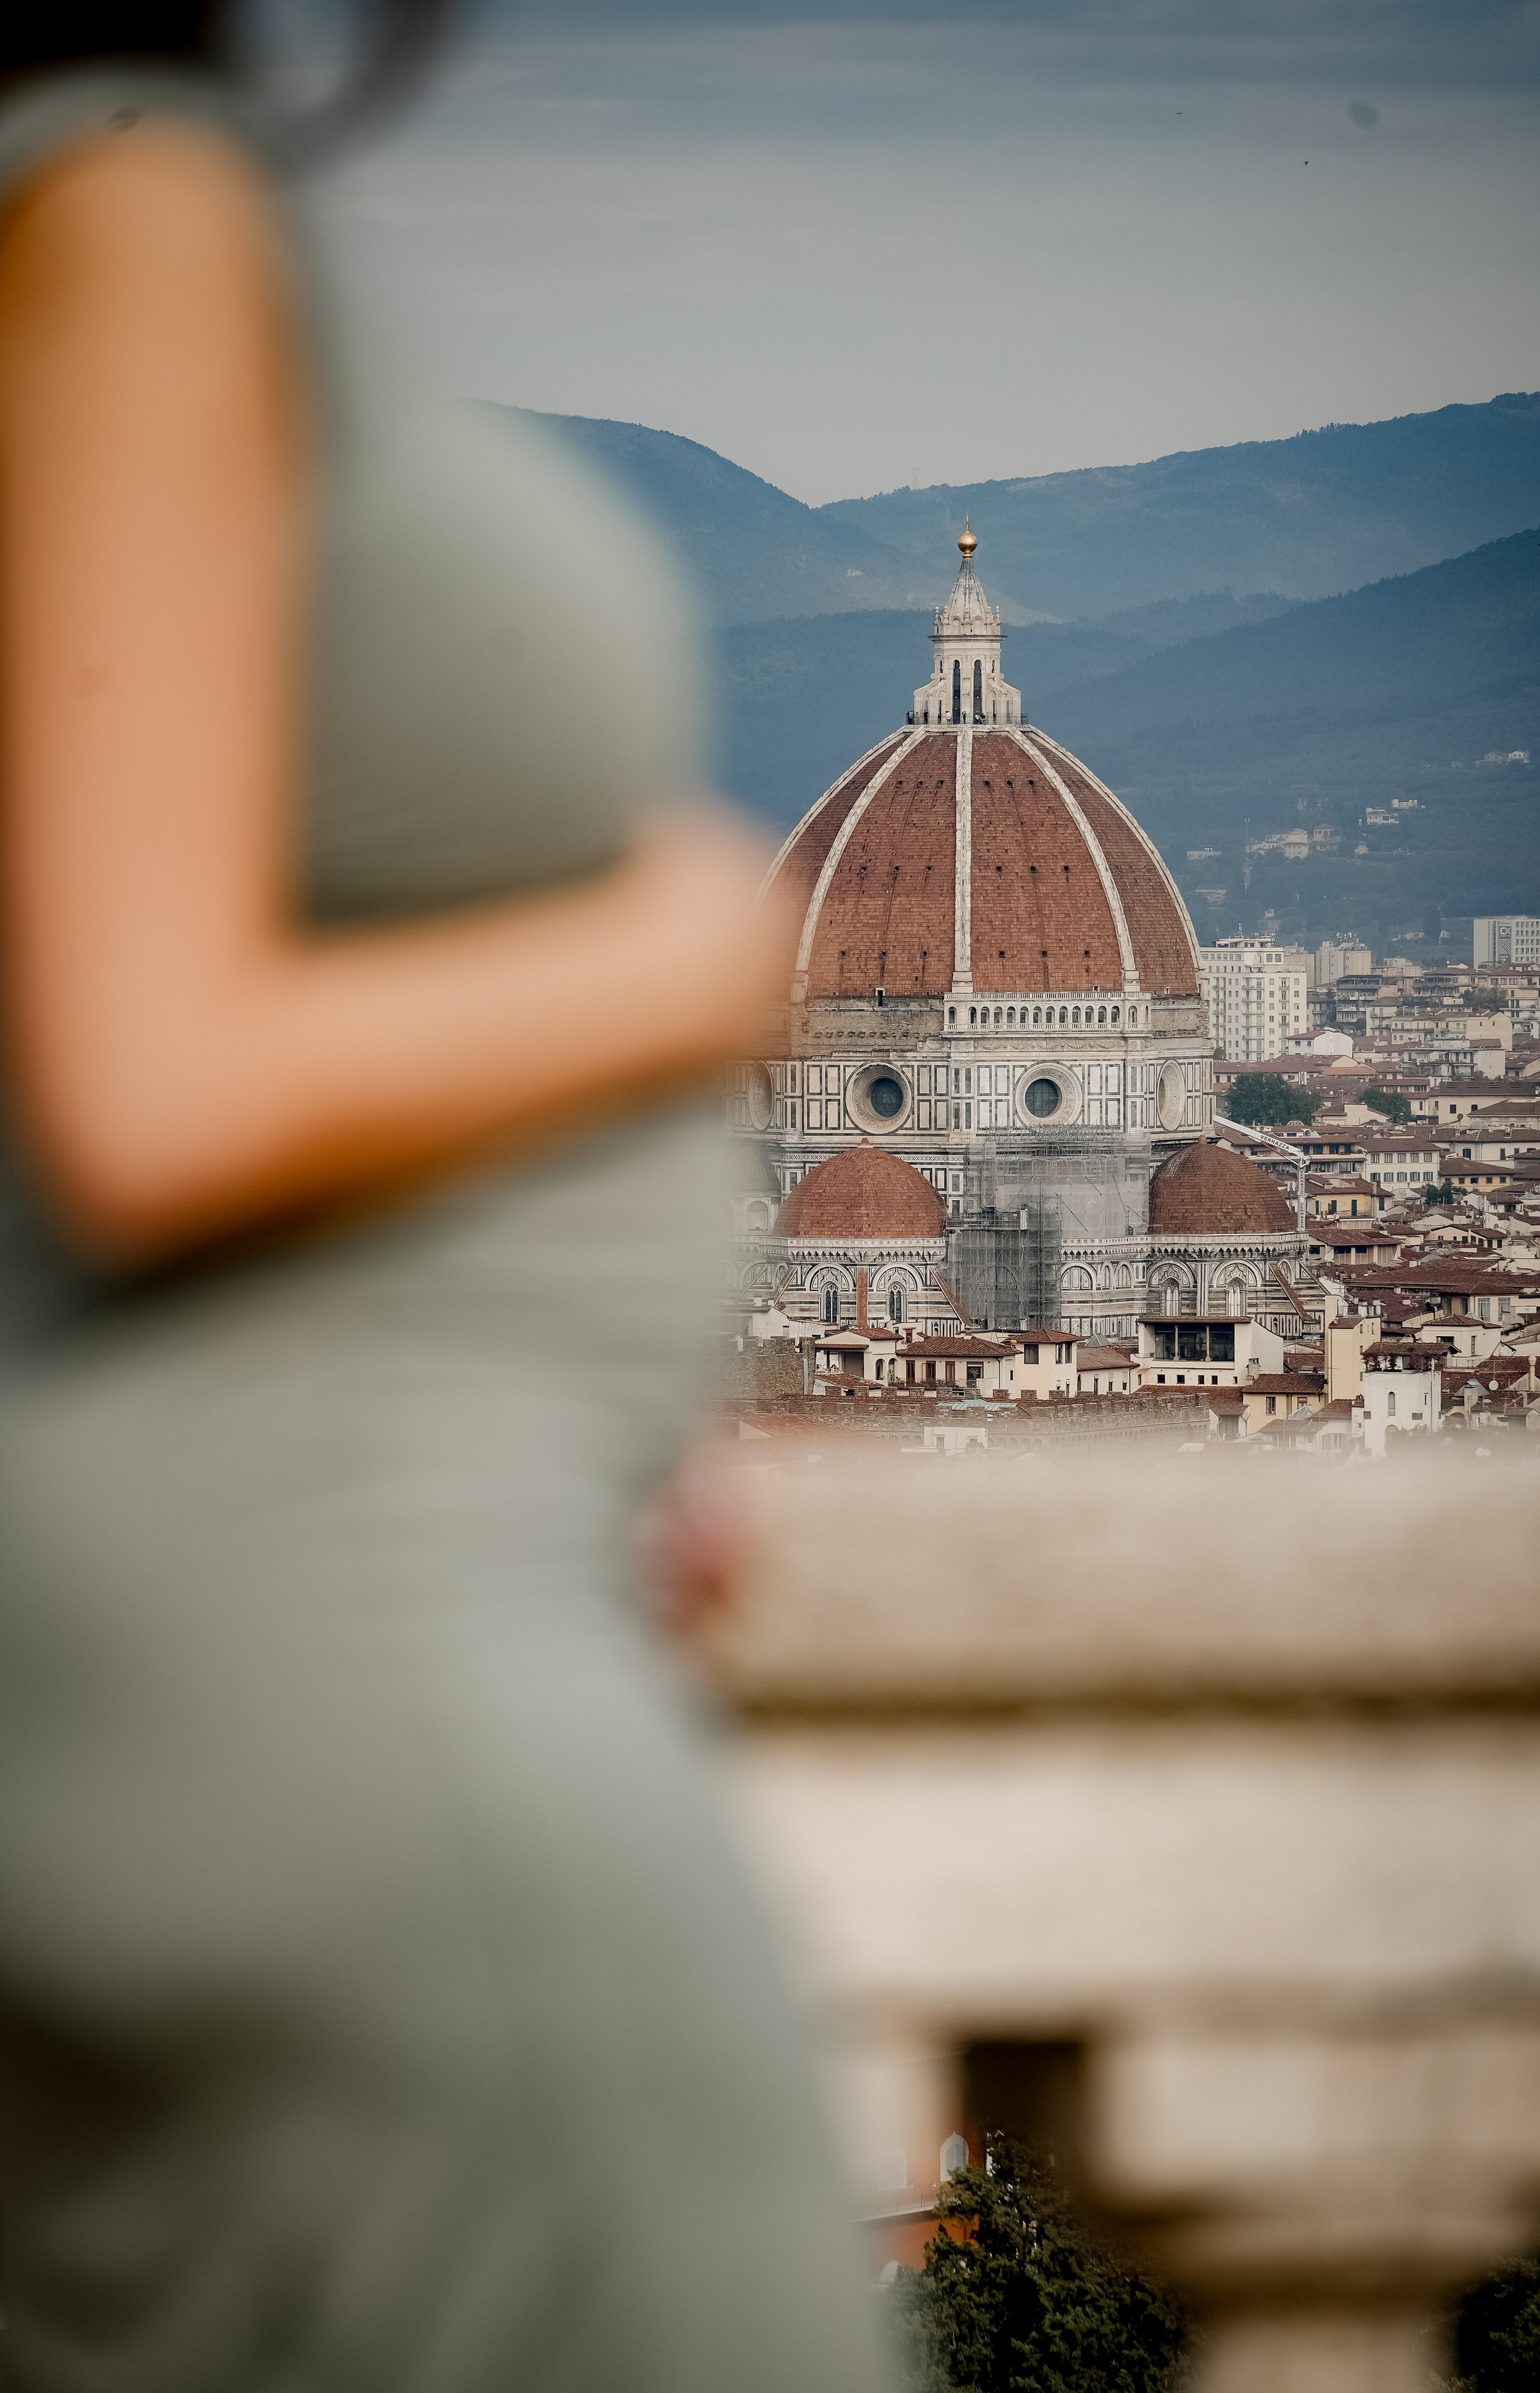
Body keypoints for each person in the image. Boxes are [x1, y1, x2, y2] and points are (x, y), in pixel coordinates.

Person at [0, 10, 884, 2389]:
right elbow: (148, 1087)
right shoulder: (122, 196)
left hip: (219, 1659)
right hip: (355, 1671)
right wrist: (691, 951)